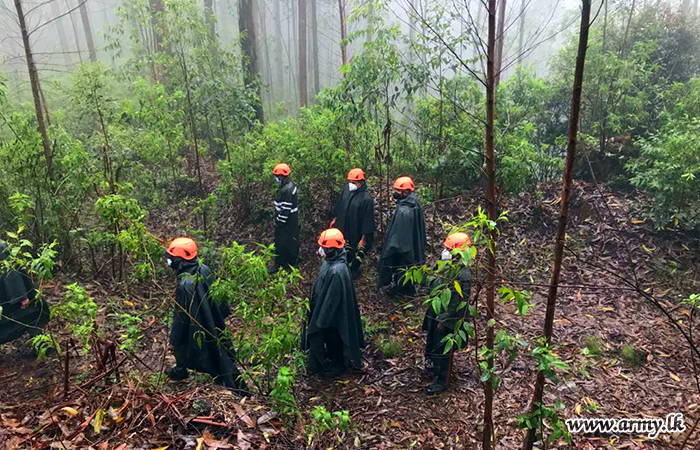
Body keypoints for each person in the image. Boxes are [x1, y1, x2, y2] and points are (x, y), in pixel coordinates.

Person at [165, 237, 247, 393]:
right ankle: (181, 369)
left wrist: (174, 340)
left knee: (207, 355)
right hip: (212, 320)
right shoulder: (203, 268)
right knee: (219, 352)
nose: (169, 265)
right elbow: (219, 295)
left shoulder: (185, 284)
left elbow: (180, 317)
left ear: (179, 261)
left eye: (170, 261)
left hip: (199, 325)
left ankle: (228, 384)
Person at [303, 229, 365, 377]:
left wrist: (320, 321)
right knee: (331, 338)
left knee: (335, 337)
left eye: (323, 248)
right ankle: (332, 357)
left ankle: (339, 365)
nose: (320, 251)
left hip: (335, 317)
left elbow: (332, 300)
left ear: (330, 249)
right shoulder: (331, 262)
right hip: (328, 313)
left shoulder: (338, 270)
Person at [423, 232, 472, 395]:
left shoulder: (463, 273)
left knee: (445, 350)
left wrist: (445, 321)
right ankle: (435, 368)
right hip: (436, 312)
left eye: (448, 249)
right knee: (435, 345)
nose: (445, 252)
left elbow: (458, 302)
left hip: (448, 320)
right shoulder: (446, 265)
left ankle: (443, 381)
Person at [378, 176, 427, 296]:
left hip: (404, 247)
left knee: (403, 265)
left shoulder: (404, 211)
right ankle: (407, 288)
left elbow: (398, 237)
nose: (395, 193)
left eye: (398, 191)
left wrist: (390, 249)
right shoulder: (414, 203)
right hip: (411, 243)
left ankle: (401, 289)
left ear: (405, 192)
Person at [0, 241, 50, 346]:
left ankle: (41, 346)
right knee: (32, 314)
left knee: (33, 313)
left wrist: (20, 296)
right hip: (6, 298)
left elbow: (11, 270)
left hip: (9, 296)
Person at [330, 168, 375, 279]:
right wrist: (335, 219)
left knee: (353, 252)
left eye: (353, 183)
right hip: (342, 226)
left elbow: (368, 220)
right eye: (350, 182)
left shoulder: (366, 199)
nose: (351, 185)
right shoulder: (347, 191)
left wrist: (364, 238)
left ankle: (353, 270)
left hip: (355, 230)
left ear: (361, 183)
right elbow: (339, 205)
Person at [270, 163, 299, 274]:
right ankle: (288, 263)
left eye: (277, 176)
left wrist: (279, 222)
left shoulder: (287, 189)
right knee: (289, 241)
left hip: (287, 222)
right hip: (289, 221)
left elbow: (286, 209)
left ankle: (282, 264)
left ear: (281, 176)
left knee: (282, 243)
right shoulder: (287, 186)